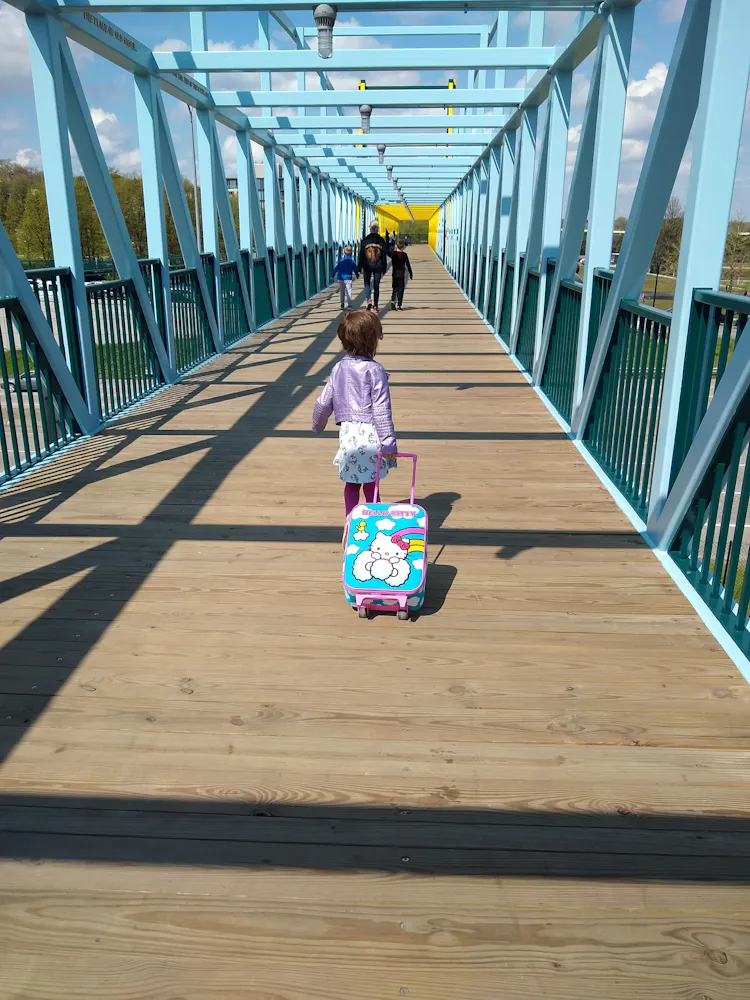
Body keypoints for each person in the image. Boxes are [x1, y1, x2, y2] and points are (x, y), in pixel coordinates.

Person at [312, 310, 397, 516]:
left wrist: (317, 425)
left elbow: (324, 401)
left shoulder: (338, 368)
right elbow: (381, 410)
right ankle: (374, 519)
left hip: (348, 434)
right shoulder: (375, 370)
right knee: (371, 484)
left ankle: (351, 520)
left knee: (351, 484)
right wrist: (388, 444)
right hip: (371, 435)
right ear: (372, 340)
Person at [358, 221, 388, 314]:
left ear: (370, 229)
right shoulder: (381, 240)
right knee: (376, 286)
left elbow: (361, 255)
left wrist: (360, 266)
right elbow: (384, 255)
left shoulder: (365, 240)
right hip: (378, 266)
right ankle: (375, 306)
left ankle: (368, 300)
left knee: (367, 284)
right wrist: (384, 267)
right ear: (377, 229)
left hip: (367, 265)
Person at [332, 245, 359, 310]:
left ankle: (342, 304)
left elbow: (336, 268)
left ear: (344, 253)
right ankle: (349, 305)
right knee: (349, 291)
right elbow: (355, 269)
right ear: (351, 253)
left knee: (342, 291)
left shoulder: (341, 261)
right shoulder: (352, 261)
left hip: (341, 278)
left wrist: (332, 275)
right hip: (348, 278)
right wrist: (357, 275)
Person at [389, 239, 414, 310]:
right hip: (401, 275)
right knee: (400, 290)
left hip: (394, 274)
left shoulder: (393, 254)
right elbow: (408, 265)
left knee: (394, 289)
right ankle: (399, 305)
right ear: (403, 246)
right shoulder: (404, 255)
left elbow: (387, 252)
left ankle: (393, 302)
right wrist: (411, 273)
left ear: (396, 246)